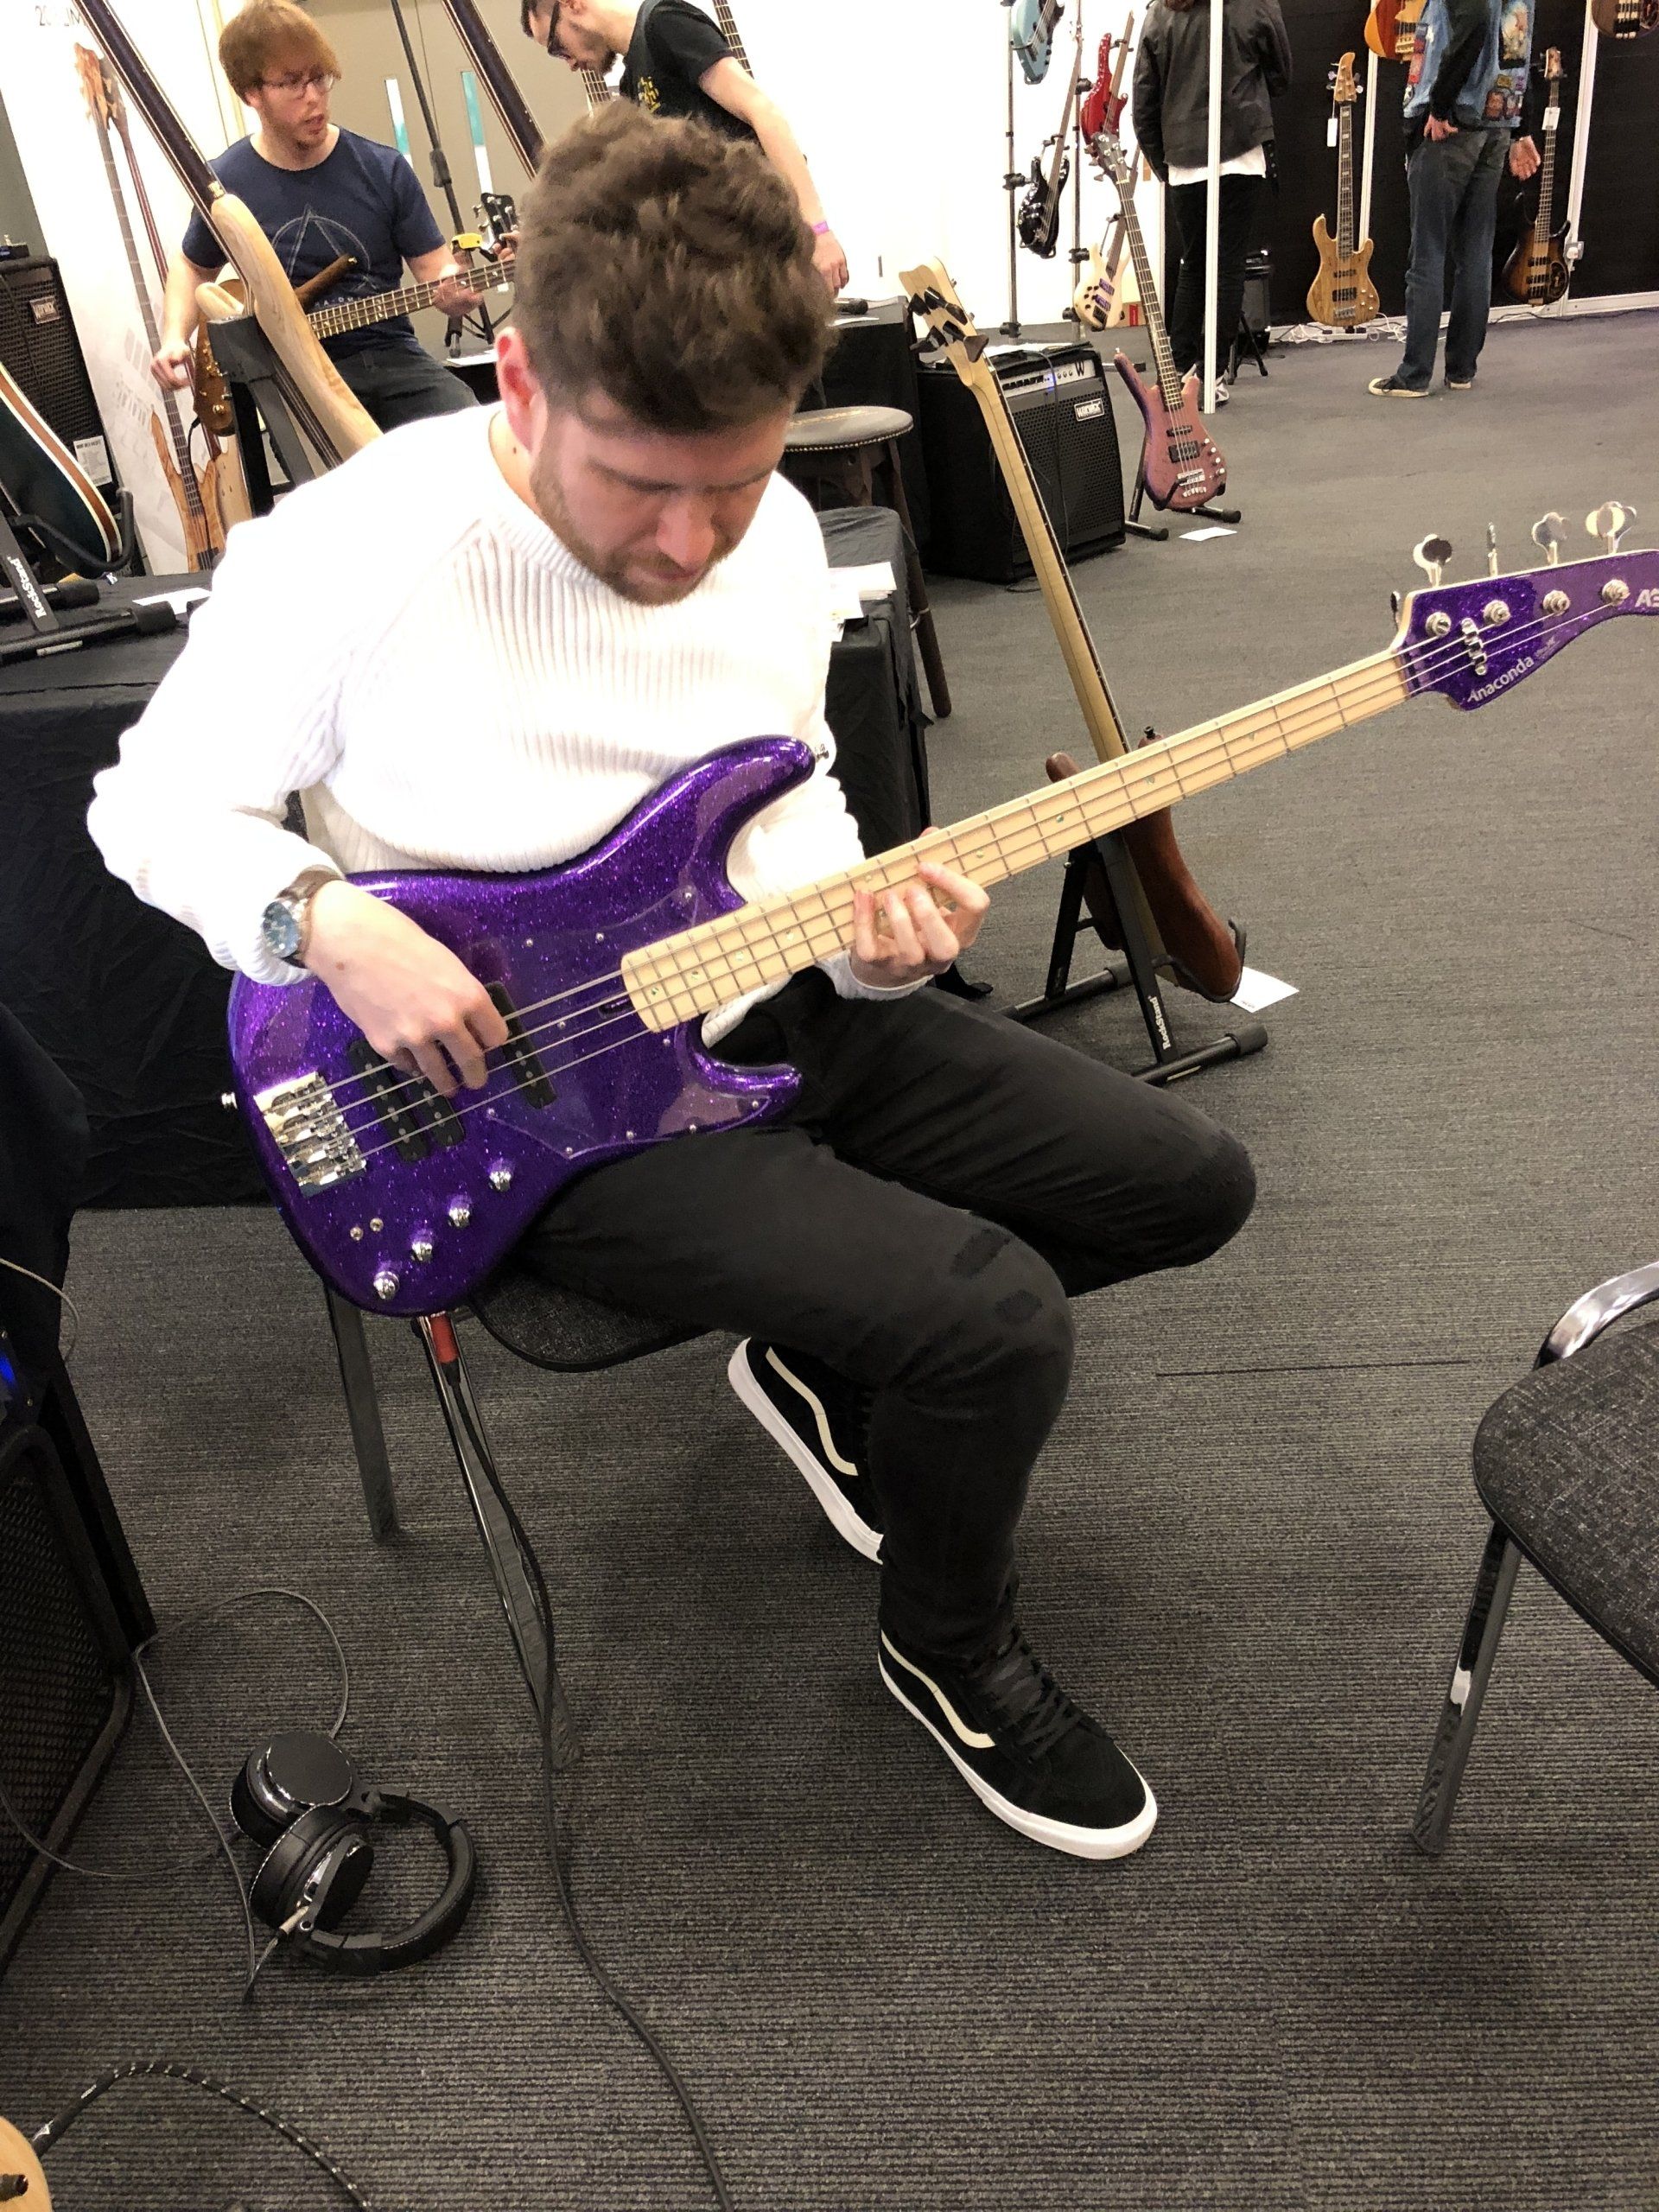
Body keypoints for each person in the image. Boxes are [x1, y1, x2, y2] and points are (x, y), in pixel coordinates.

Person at [91, 105, 1254, 1864]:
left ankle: (824, 1376)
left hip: (773, 997)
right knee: (998, 1322)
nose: (693, 540)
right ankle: (948, 1649)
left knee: (1188, 1183)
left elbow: (792, 783)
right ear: (520, 380)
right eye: (645, 486)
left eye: (735, 479)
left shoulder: (770, 534)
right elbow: (147, 810)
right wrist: (317, 917)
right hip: (536, 1101)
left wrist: (872, 925)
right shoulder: (351, 556)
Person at [150, 0, 483, 434]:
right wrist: (174, 337)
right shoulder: (226, 183)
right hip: (295, 373)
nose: (314, 98)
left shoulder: (383, 169)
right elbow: (194, 265)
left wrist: (454, 290)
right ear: (251, 93)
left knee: (470, 428)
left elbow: (435, 269)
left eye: (320, 78)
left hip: (391, 356)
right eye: (292, 83)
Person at [520, 0, 849, 295]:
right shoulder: (632, 83)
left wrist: (818, 230)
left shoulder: (665, 22)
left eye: (556, 47)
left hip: (762, 246)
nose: (568, 63)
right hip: (725, 264)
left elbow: (761, 111)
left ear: (572, 4)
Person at [1368, 0, 1541, 397]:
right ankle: (1462, 369)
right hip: (1497, 120)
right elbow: (1518, 43)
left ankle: (1414, 375)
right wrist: (1520, 126)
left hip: (1453, 123)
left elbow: (1478, 19)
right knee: (1475, 251)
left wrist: (1440, 105)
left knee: (1428, 253)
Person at [1133, 0, 1292, 398]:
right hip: (1240, 152)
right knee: (1227, 266)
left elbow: (1144, 101)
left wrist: (1166, 162)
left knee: (1194, 264)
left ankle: (1177, 371)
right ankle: (1210, 377)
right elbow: (1281, 74)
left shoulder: (1162, 12)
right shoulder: (1254, 4)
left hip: (1185, 158)